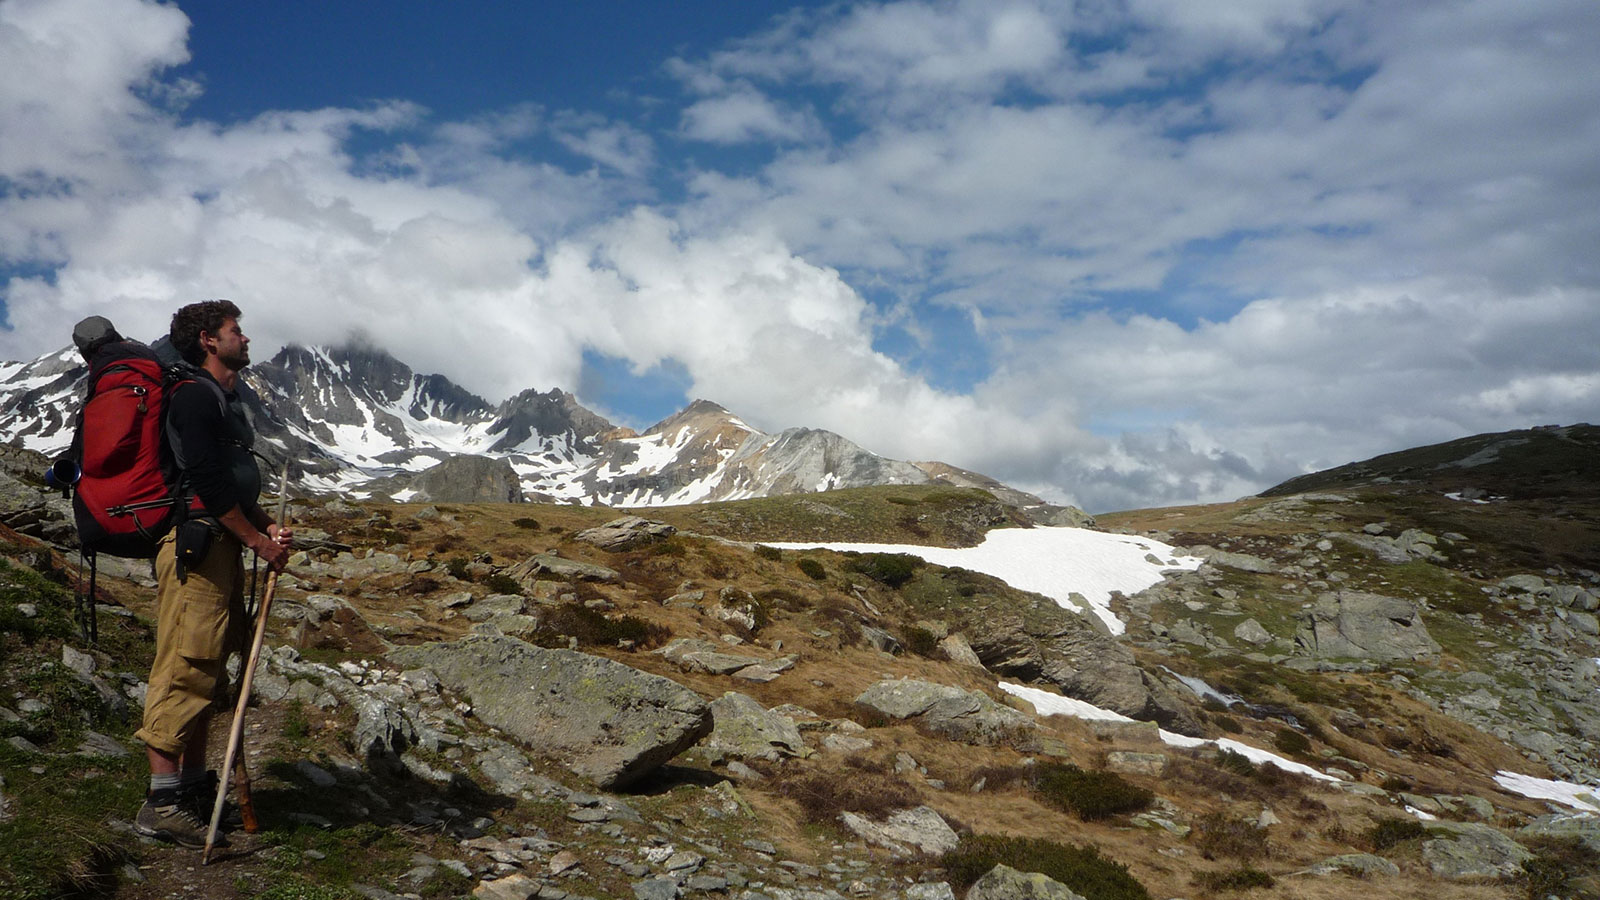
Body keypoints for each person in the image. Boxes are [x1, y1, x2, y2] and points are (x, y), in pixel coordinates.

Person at [132, 300, 292, 848]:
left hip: (220, 543)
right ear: (208, 340)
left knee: (209, 668)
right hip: (197, 548)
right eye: (235, 331)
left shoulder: (225, 400)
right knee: (185, 662)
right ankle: (163, 802)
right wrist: (254, 539)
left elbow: (230, 483)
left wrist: (265, 526)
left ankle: (195, 790)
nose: (244, 339)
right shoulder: (196, 396)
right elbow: (203, 476)